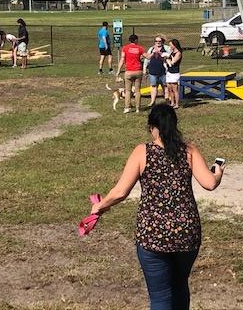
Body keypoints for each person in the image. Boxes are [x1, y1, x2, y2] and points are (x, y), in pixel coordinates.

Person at [90, 104, 224, 310]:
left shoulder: (142, 152)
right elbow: (210, 183)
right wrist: (218, 173)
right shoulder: (189, 151)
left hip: (153, 234)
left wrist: (100, 206)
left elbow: (120, 192)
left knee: (160, 297)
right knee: (180, 287)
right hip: (187, 233)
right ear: (175, 125)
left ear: (152, 127)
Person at [116, 34, 145, 114]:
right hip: (138, 71)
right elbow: (146, 56)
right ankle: (137, 108)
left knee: (128, 91)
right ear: (136, 40)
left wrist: (118, 70)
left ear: (129, 40)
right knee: (138, 91)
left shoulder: (125, 48)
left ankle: (127, 107)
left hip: (128, 71)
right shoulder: (140, 48)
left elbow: (122, 59)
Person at [144, 36, 169, 107]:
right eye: (156, 41)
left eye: (159, 41)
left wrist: (162, 54)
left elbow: (169, 56)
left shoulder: (166, 48)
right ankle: (152, 102)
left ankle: (167, 101)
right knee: (154, 86)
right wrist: (144, 69)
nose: (158, 42)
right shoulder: (151, 49)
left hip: (163, 72)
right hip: (153, 71)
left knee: (165, 87)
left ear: (162, 42)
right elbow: (147, 59)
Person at [165, 39, 182, 109]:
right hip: (169, 72)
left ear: (174, 45)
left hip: (174, 72)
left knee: (175, 89)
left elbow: (173, 62)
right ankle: (172, 102)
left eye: (171, 45)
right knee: (169, 88)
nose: (170, 47)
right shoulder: (172, 52)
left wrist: (168, 58)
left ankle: (177, 104)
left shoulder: (178, 53)